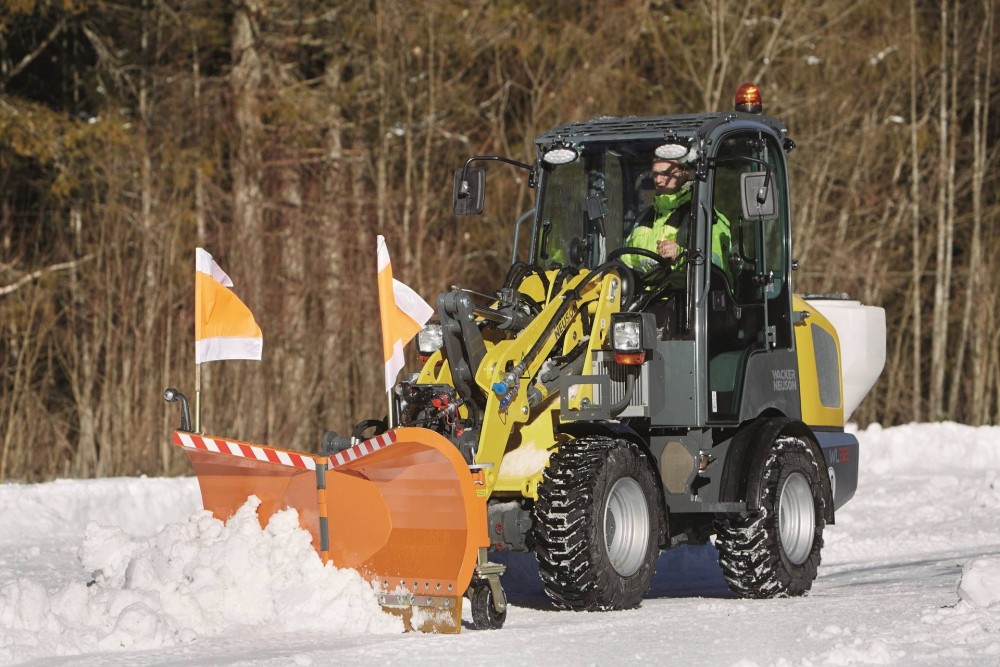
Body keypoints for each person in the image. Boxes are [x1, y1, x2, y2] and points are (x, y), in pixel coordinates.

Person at [624, 155, 733, 281]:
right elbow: (626, 261)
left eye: (665, 174)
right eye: (655, 174)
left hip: (686, 298)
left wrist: (680, 254)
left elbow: (716, 265)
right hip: (646, 299)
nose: (658, 180)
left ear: (684, 172)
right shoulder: (642, 218)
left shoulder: (705, 215)